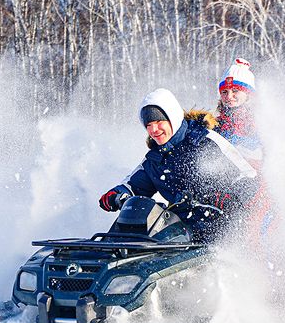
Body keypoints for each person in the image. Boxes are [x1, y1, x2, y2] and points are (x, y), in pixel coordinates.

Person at [98, 88, 259, 243]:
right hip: (179, 232)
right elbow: (134, 185)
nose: (153, 129)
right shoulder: (156, 158)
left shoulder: (205, 141)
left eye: (159, 121)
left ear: (172, 118)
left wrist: (229, 198)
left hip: (220, 228)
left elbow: (247, 176)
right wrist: (118, 194)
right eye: (148, 125)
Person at [215, 58, 262, 167]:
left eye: (235, 91)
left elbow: (263, 148)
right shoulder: (216, 122)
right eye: (224, 92)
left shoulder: (258, 119)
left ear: (248, 94)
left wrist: (237, 142)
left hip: (254, 177)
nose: (229, 96)